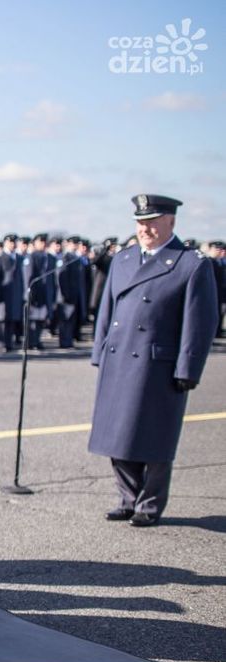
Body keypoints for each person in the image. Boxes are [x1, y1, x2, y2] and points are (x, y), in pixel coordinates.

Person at [89, 195, 218, 527]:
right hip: (119, 359)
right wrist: (99, 352)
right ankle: (127, 498)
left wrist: (188, 368)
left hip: (157, 364)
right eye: (139, 222)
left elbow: (200, 321)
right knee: (116, 435)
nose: (144, 228)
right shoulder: (123, 259)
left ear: (171, 222)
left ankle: (149, 504)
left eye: (151, 221)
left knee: (154, 437)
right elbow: (108, 310)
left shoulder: (191, 263)